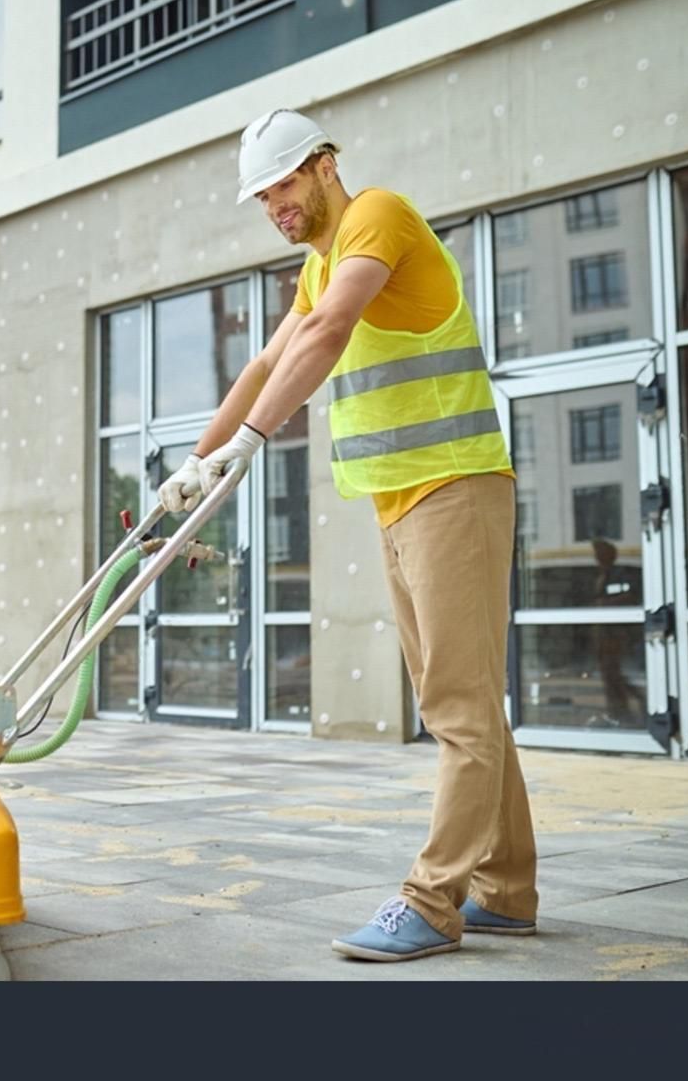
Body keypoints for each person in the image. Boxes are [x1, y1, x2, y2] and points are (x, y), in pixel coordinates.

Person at [160, 108, 538, 961]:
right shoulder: (317, 262)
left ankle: (434, 901)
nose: (274, 206)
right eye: (261, 196)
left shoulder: (378, 217)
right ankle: (507, 892)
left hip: (455, 486)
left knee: (456, 708)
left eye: (284, 184)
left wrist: (253, 443)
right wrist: (194, 463)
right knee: (468, 701)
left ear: (326, 165)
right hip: (399, 499)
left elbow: (330, 333)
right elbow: (265, 363)